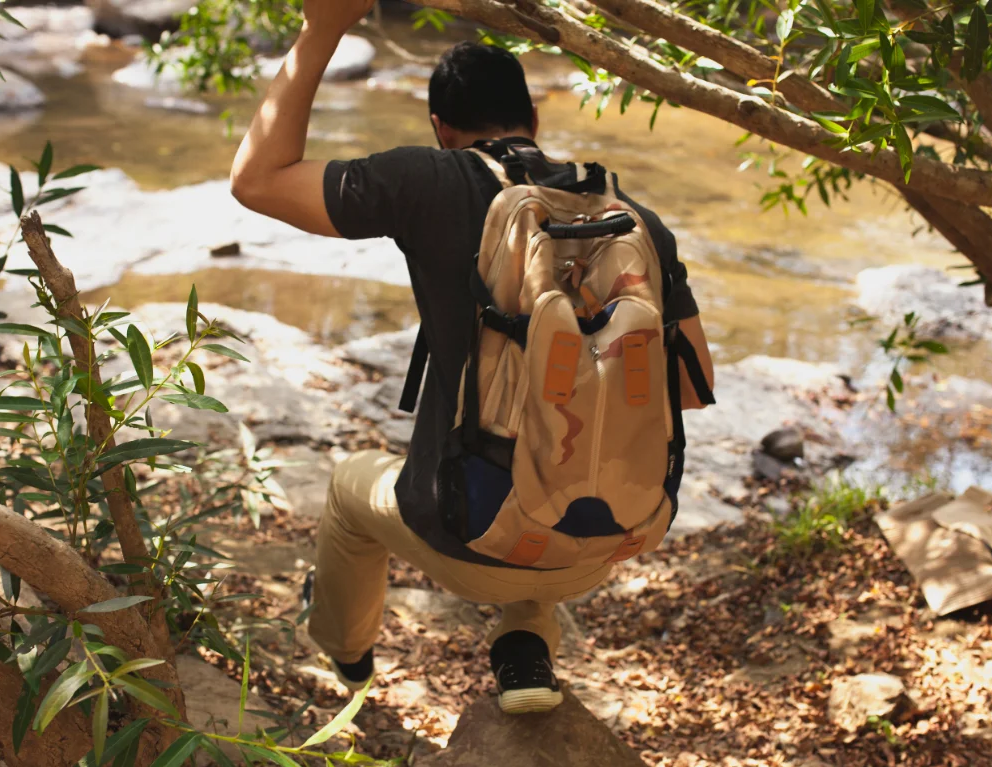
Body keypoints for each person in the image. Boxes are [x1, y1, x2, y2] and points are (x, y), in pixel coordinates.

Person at [229, 0, 714, 714]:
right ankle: (525, 646)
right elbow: (684, 391)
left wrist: (323, 26)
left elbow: (256, 181)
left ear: (443, 130)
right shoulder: (636, 220)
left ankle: (349, 652)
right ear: (535, 120)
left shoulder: (433, 180)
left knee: (349, 486)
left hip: (470, 538)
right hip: (618, 538)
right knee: (561, 439)